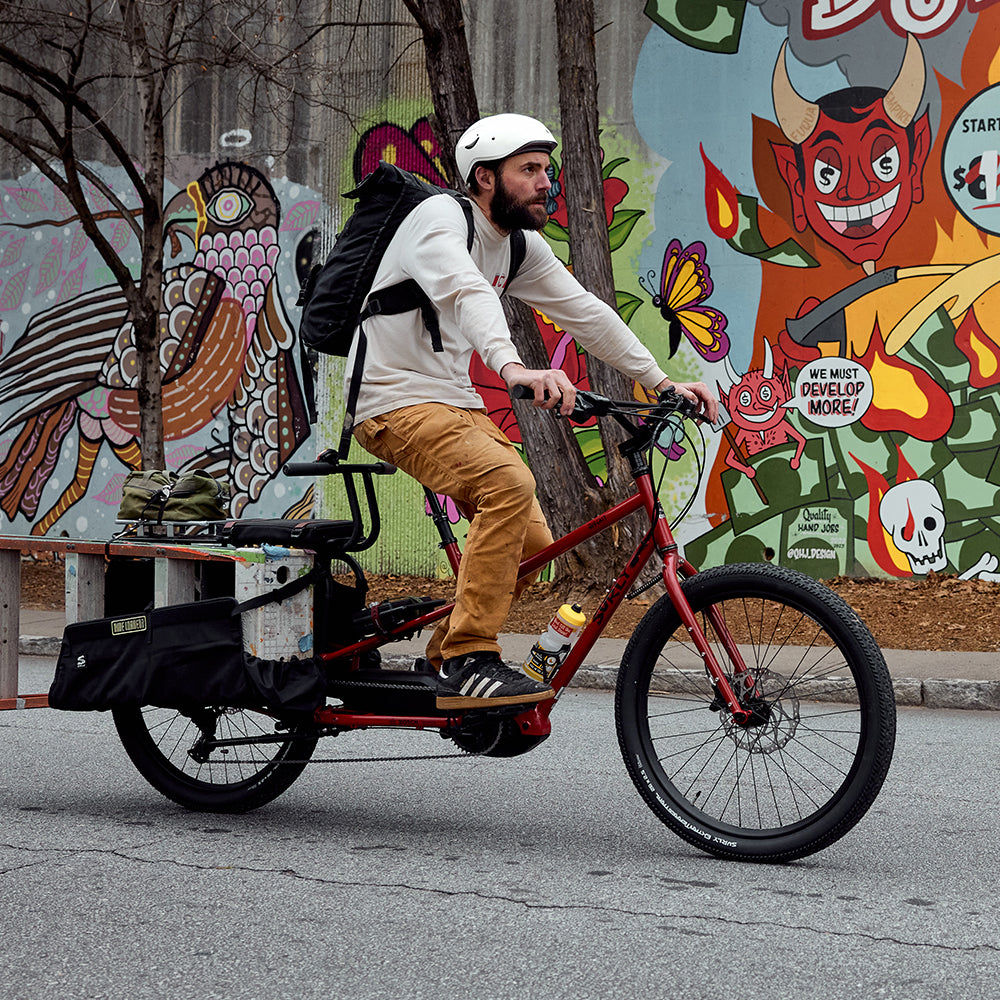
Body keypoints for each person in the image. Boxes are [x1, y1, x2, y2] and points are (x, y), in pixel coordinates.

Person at [350, 112, 719, 711]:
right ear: (484, 178)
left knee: (531, 552)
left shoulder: (519, 245)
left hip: (453, 404)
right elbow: (467, 293)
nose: (546, 181)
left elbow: (588, 314)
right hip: (391, 400)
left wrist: (660, 381)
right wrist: (513, 367)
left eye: (547, 169)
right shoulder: (439, 219)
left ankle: (444, 658)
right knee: (506, 482)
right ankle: (472, 655)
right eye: (529, 170)